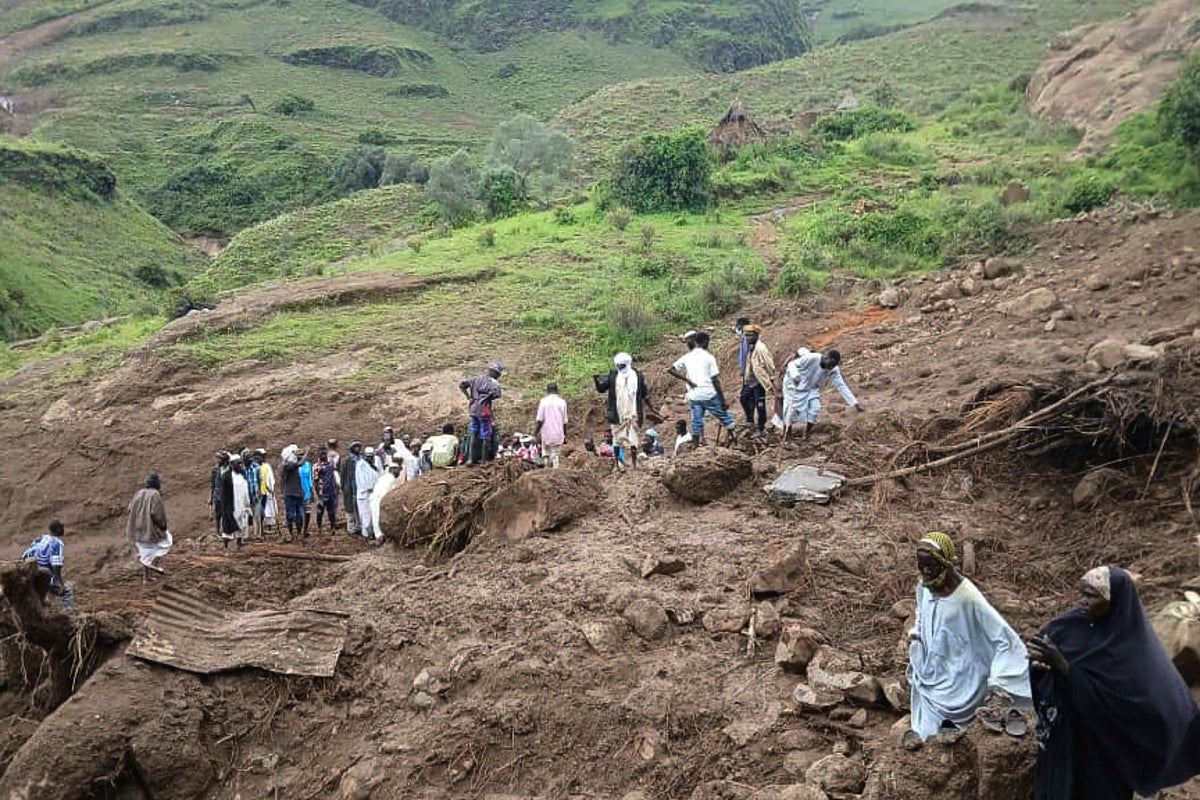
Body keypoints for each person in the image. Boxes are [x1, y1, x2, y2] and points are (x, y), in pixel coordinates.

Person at [1028, 566, 1200, 799]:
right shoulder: (1071, 624)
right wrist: (1040, 668)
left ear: (1115, 601)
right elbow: (1043, 653)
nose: (1083, 602)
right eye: (1082, 594)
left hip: (1105, 750)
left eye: (1092, 596)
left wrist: (1064, 667)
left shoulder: (1134, 650)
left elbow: (1139, 705)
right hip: (1066, 737)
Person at [904, 532, 1031, 750]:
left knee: (949, 726)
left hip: (963, 677)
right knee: (926, 734)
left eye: (931, 565)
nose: (926, 571)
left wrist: (998, 682)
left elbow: (1004, 639)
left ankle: (957, 725)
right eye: (921, 565)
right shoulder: (924, 585)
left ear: (946, 563)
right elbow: (922, 612)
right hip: (934, 670)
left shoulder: (967, 597)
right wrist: (917, 634)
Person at [667, 331, 737, 446]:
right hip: (708, 394)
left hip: (694, 395)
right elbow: (715, 380)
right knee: (724, 416)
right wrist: (722, 400)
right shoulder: (709, 357)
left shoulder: (687, 357)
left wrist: (687, 380)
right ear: (705, 342)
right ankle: (733, 438)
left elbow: (670, 369)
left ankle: (695, 446)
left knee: (696, 421)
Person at [782, 348, 863, 441]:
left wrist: (854, 402)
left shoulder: (833, 369)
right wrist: (795, 376)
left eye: (833, 365)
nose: (831, 367)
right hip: (794, 384)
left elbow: (841, 385)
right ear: (826, 357)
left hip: (811, 388)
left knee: (815, 409)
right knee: (790, 410)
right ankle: (787, 435)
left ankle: (807, 433)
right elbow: (792, 364)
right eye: (830, 364)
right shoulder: (812, 358)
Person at [596, 353, 650, 469]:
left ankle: (634, 464)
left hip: (632, 413)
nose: (620, 368)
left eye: (622, 366)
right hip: (617, 413)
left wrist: (651, 407)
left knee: (633, 439)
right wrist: (596, 380)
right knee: (616, 440)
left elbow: (644, 393)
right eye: (618, 366)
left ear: (628, 364)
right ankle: (617, 464)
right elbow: (601, 389)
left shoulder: (638, 376)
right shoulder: (613, 375)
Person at [126, 473, 172, 582]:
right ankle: (152, 566)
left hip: (136, 529)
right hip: (149, 529)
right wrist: (163, 526)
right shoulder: (155, 494)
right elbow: (157, 514)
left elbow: (129, 508)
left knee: (145, 551)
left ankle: (146, 577)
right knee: (165, 543)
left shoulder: (139, 493)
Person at [20, 520, 74, 610]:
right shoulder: (57, 543)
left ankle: (44, 601)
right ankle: (68, 613)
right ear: (58, 529)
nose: (63, 529)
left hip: (27, 571)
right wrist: (60, 583)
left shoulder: (41, 538)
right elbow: (56, 565)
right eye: (62, 527)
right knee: (67, 592)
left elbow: (26, 553)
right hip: (42, 575)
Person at [459, 362, 504, 465]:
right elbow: (497, 394)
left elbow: (462, 385)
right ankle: (484, 461)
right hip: (484, 411)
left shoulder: (476, 379)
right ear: (496, 373)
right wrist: (487, 398)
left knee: (473, 433)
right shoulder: (494, 383)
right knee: (486, 435)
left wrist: (469, 397)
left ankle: (470, 459)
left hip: (473, 409)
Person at [739, 324, 776, 436]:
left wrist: (772, 377)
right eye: (746, 336)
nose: (748, 338)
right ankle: (750, 420)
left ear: (756, 335)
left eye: (750, 336)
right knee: (743, 398)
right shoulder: (751, 347)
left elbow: (770, 364)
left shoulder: (761, 348)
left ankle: (761, 428)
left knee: (760, 405)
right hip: (750, 380)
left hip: (759, 382)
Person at [220, 454, 252, 549]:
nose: (240, 465)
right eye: (237, 463)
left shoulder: (242, 475)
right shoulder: (226, 477)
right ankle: (226, 545)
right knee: (229, 525)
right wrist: (225, 508)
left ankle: (239, 542)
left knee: (242, 523)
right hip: (231, 505)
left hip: (242, 504)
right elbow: (224, 495)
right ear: (231, 464)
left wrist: (247, 504)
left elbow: (246, 490)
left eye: (240, 463)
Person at [534, 384, 569, 468]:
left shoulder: (543, 401)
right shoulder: (562, 402)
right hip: (558, 433)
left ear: (547, 391)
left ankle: (547, 470)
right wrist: (564, 435)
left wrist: (535, 432)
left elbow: (540, 420)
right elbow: (564, 421)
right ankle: (555, 472)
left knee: (546, 453)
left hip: (546, 433)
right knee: (555, 454)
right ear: (557, 390)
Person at [368, 461, 402, 543]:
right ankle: (379, 537)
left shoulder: (385, 477)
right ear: (392, 469)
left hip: (376, 499)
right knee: (377, 518)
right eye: (397, 470)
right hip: (378, 500)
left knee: (376, 517)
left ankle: (376, 535)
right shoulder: (390, 479)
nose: (399, 472)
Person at [280, 445, 308, 541]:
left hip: (296, 493)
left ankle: (297, 533)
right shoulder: (288, 466)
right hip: (291, 494)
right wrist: (306, 453)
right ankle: (292, 534)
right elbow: (300, 463)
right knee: (291, 515)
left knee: (299, 515)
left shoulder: (288, 465)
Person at [355, 446, 380, 539]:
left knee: (374, 513)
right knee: (366, 515)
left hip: (374, 493)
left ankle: (374, 532)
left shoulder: (376, 462)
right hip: (364, 494)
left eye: (371, 456)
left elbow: (379, 475)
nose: (370, 458)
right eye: (368, 456)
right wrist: (369, 488)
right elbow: (361, 480)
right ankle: (367, 534)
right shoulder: (360, 465)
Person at [314, 448, 339, 533]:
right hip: (322, 492)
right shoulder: (317, 466)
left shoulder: (331, 464)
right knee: (320, 512)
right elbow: (315, 482)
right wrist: (318, 496)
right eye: (321, 454)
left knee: (332, 512)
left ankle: (332, 528)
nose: (323, 456)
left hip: (331, 491)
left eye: (324, 454)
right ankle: (319, 528)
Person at [255, 449, 278, 533]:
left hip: (265, 492)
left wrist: (270, 488)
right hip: (257, 493)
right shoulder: (254, 467)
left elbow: (268, 479)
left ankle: (266, 528)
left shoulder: (266, 466)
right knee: (259, 511)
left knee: (266, 509)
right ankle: (259, 530)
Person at [340, 442, 361, 535]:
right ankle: (351, 527)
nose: (357, 449)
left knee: (359, 508)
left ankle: (359, 526)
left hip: (360, 487)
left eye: (358, 447)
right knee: (350, 508)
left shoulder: (362, 459)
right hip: (350, 487)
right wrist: (344, 487)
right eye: (355, 447)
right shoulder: (346, 461)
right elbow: (343, 475)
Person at [209, 451, 228, 539]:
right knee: (218, 514)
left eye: (219, 458)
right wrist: (210, 497)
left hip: (225, 495)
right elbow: (212, 484)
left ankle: (225, 530)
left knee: (225, 514)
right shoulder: (215, 469)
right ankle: (217, 531)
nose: (218, 460)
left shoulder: (228, 469)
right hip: (217, 495)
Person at [299, 449, 314, 536]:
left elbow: (310, 478)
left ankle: (305, 529)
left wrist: (311, 491)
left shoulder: (308, 465)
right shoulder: (296, 466)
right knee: (300, 512)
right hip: (298, 491)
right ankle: (299, 530)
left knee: (307, 512)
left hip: (307, 490)